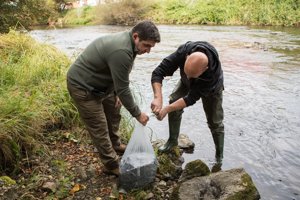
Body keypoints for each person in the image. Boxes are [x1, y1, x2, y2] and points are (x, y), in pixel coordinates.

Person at [67, 20, 161, 176]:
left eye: (151, 47)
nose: (148, 51)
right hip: (82, 87)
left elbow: (117, 75)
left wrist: (116, 93)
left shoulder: (132, 45)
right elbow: (124, 87)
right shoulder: (121, 50)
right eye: (147, 46)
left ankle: (115, 145)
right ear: (136, 36)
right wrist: (137, 114)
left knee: (114, 112)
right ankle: (111, 165)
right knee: (100, 127)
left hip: (103, 86)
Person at [151, 41, 224, 164]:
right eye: (187, 73)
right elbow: (158, 72)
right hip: (187, 78)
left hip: (212, 89)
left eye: (192, 76)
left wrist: (166, 109)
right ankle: (173, 141)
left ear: (205, 69)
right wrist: (158, 98)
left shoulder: (212, 73)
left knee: (215, 121)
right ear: (186, 58)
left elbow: (190, 98)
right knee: (174, 100)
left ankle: (219, 155)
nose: (189, 78)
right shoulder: (182, 52)